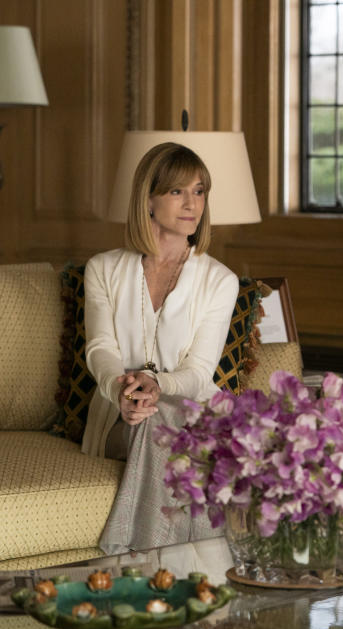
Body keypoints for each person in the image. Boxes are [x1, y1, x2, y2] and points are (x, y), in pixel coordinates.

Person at [82, 142, 239, 555]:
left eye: (200, 191)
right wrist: (124, 391)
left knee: (165, 417)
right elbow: (100, 348)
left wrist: (155, 384)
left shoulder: (220, 280)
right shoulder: (103, 268)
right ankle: (186, 570)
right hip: (120, 413)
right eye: (177, 191)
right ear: (148, 199)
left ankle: (138, 559)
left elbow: (199, 371)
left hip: (193, 408)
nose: (192, 203)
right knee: (152, 417)